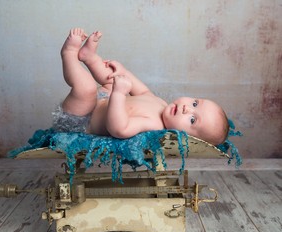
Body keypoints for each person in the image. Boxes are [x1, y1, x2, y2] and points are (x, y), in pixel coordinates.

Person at [53, 28, 229, 145]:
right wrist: (123, 71)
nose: (186, 108)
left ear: (186, 140)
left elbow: (119, 128)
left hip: (82, 119)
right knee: (111, 79)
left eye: (192, 120)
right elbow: (142, 91)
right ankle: (89, 57)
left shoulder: (155, 125)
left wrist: (120, 94)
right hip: (102, 100)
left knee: (86, 88)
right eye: (195, 104)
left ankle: (68, 53)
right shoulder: (161, 103)